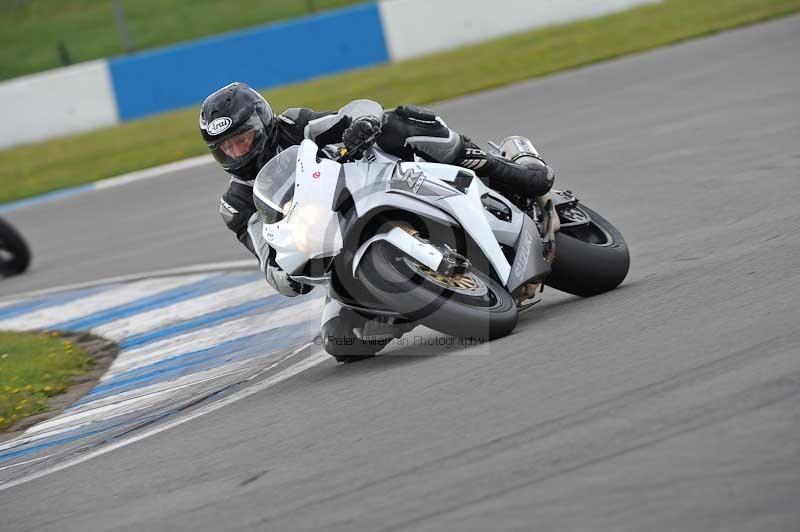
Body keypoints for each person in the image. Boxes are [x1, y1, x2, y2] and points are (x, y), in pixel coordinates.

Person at [200, 82, 556, 299]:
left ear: (260, 123)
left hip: (374, 181)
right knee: (343, 344)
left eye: (242, 140)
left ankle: (506, 168)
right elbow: (266, 258)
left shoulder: (295, 125)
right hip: (333, 243)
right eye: (226, 148)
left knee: (398, 122)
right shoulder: (236, 204)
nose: (236, 152)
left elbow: (357, 110)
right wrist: (287, 275)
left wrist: (363, 123)